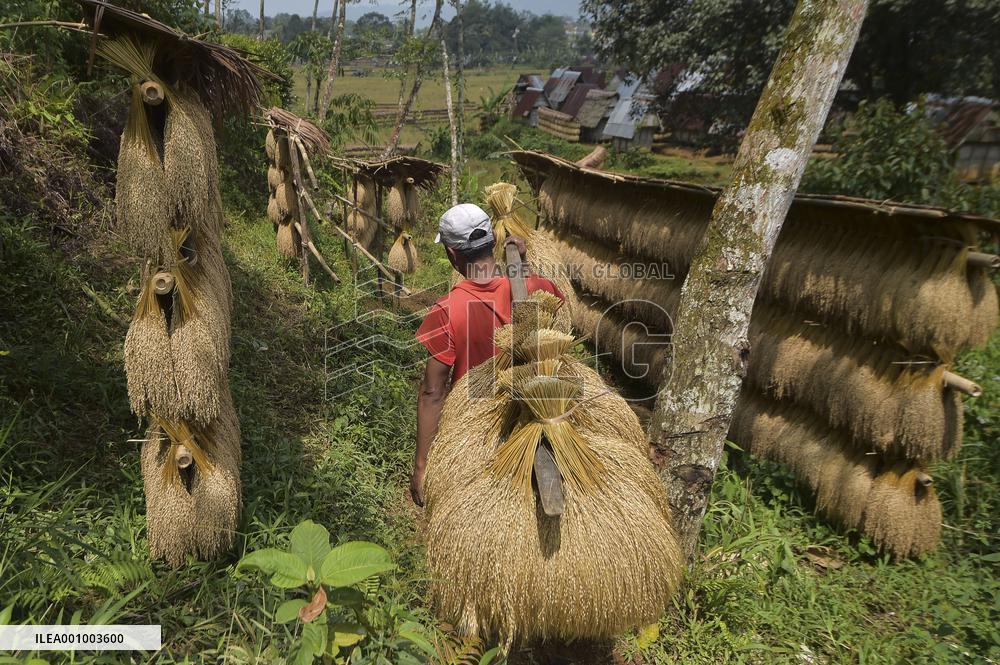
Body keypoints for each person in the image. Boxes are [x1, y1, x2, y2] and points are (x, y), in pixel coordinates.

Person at [410, 203, 564, 506]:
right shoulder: (536, 287)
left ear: (452, 253)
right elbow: (547, 316)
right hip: (539, 412)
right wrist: (521, 266)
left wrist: (421, 466)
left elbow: (432, 393)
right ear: (493, 241)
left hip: (476, 426)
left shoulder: (445, 310)